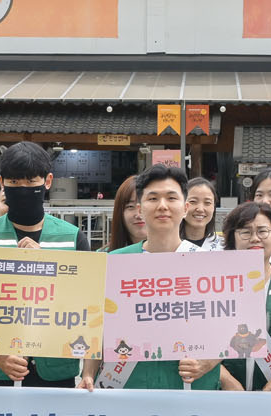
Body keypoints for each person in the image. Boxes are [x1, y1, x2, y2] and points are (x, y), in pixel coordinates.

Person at [86, 164, 229, 391]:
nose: (162, 206)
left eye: (171, 198)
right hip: (129, 386)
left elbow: (232, 327)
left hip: (193, 386)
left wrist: (210, 361)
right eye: (153, 198)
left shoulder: (212, 264)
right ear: (140, 209)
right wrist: (87, 374)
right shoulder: (113, 262)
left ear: (185, 207)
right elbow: (96, 326)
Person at [0, 142, 94, 388]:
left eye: (31, 181)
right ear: (2, 182)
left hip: (54, 369)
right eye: (14, 182)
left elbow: (88, 306)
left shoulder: (73, 238)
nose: (23, 189)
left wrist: (46, 267)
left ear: (47, 181)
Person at [220, 201, 271, 391]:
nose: (255, 238)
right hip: (223, 394)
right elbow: (201, 340)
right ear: (232, 238)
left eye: (262, 231)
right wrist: (226, 381)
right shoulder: (215, 286)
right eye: (245, 232)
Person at [105, 174, 146, 251]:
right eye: (130, 206)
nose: (139, 215)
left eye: (144, 206)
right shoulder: (104, 255)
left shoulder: (170, 254)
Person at [182, 177, 224, 249]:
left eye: (207, 202)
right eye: (193, 201)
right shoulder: (166, 246)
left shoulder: (223, 247)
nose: (200, 209)